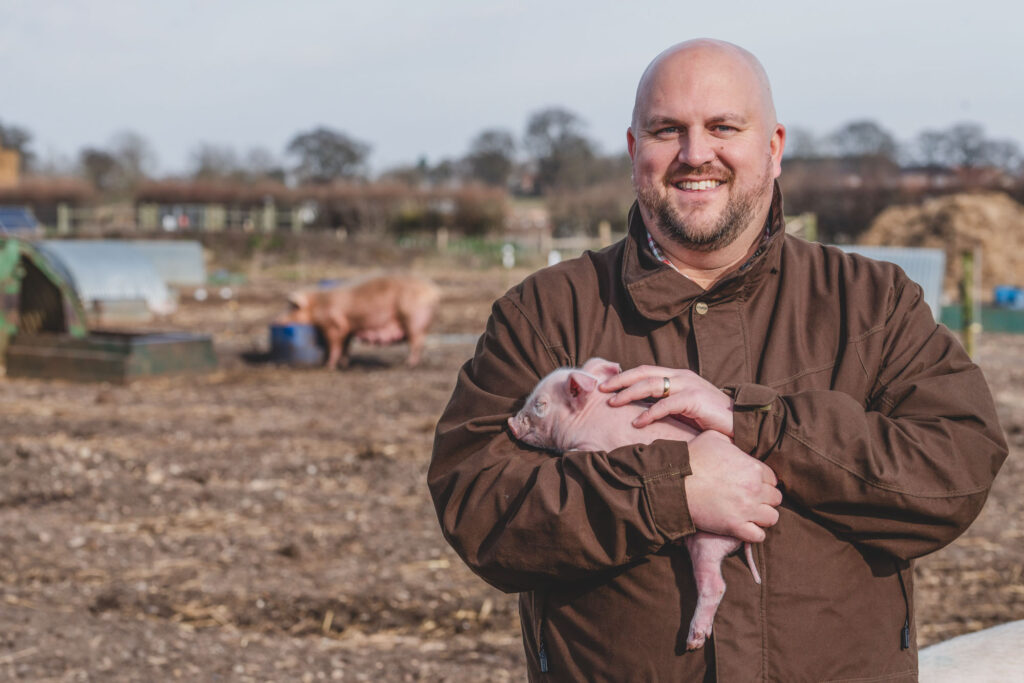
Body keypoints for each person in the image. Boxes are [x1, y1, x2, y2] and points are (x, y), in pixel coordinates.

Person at [428, 38, 1008, 682]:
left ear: (774, 146)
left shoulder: (872, 302)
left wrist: (760, 424)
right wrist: (668, 490)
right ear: (633, 150)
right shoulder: (547, 313)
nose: (695, 153)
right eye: (666, 130)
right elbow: (479, 507)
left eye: (723, 127)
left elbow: (955, 470)